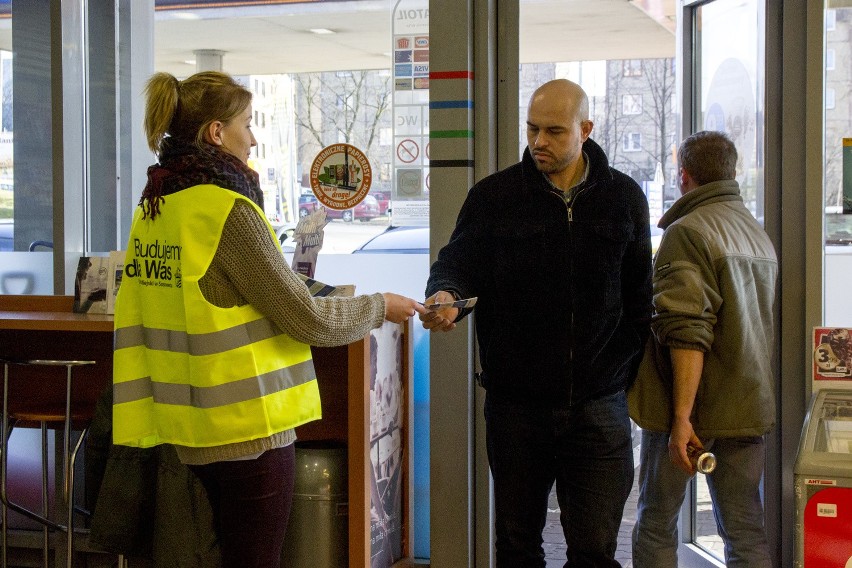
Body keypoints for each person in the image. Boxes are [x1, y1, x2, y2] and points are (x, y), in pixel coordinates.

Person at [111, 70, 425, 568]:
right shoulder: (227, 209)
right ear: (217, 132)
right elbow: (305, 319)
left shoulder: (155, 205)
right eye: (247, 123)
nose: (253, 137)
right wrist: (377, 306)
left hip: (185, 429)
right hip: (246, 434)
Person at [421, 78, 652, 567]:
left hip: (598, 408)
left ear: (585, 129)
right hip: (517, 409)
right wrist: (446, 294)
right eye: (532, 129)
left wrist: (616, 373)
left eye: (554, 131)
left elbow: (639, 298)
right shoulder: (495, 197)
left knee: (595, 552)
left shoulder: (623, 198)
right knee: (517, 548)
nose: (539, 142)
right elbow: (457, 263)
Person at [629, 130, 777, 568]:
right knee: (746, 532)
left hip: (692, 413)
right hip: (746, 408)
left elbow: (687, 330)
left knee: (656, 526)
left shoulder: (688, 232)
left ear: (684, 176)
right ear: (732, 172)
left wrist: (680, 417)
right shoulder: (756, 235)